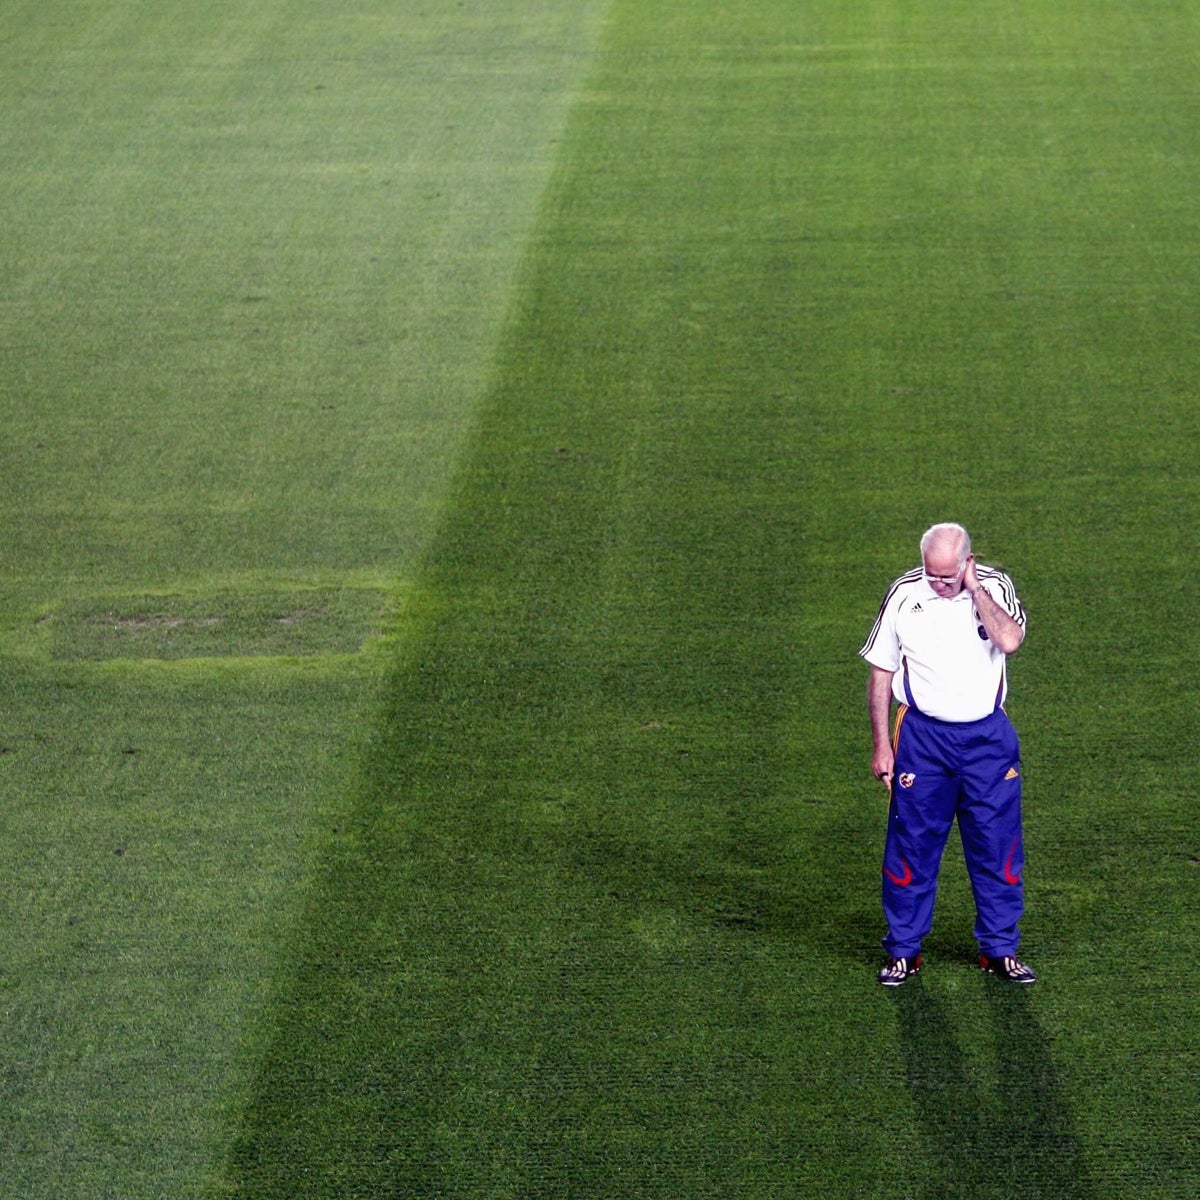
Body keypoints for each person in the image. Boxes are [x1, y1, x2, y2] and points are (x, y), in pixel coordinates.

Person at [859, 522, 1036, 986]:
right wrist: (882, 745)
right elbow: (881, 671)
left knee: (997, 846)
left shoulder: (994, 587)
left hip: (988, 742)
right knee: (911, 847)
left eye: (947, 576)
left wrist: (974, 591)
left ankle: (999, 949)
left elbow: (1011, 640)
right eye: (931, 574)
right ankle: (904, 950)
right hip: (922, 740)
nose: (938, 585)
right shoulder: (903, 594)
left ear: (967, 563)